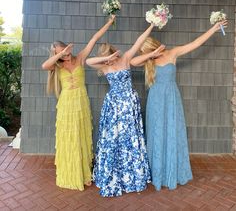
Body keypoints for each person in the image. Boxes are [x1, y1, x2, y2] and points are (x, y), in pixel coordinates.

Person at [130, 20, 227, 191]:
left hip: (171, 99)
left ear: (153, 45)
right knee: (157, 133)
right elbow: (133, 62)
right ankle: (157, 173)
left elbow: (195, 44)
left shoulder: (172, 53)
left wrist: (213, 28)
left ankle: (172, 171)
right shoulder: (148, 61)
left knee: (172, 132)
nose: (145, 54)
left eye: (147, 51)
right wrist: (150, 56)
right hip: (156, 101)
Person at [86, 23, 164, 197]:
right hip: (113, 105)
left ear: (115, 52)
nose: (109, 60)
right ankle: (114, 174)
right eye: (106, 58)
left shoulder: (126, 58)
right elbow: (88, 61)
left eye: (110, 56)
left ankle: (132, 175)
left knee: (129, 137)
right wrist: (104, 60)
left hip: (129, 103)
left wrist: (151, 25)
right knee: (113, 137)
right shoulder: (104, 66)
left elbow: (139, 41)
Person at [41, 15, 115, 190]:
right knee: (69, 137)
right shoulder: (57, 66)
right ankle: (70, 173)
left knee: (80, 136)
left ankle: (82, 173)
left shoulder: (80, 58)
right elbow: (45, 66)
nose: (65, 55)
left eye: (65, 51)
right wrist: (58, 53)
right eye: (60, 52)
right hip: (66, 104)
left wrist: (110, 22)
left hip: (81, 102)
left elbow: (94, 38)